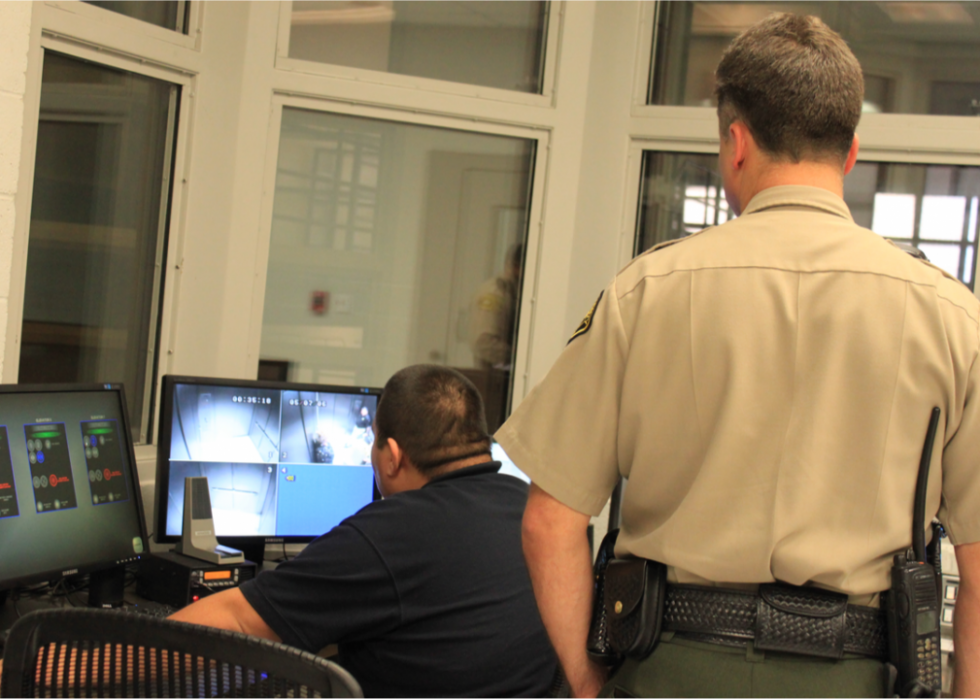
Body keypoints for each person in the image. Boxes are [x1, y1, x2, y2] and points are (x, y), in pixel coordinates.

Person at [496, 13, 980, 698]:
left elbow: (550, 520)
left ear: (736, 142)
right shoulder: (952, 316)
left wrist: (588, 683)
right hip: (858, 676)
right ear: (850, 153)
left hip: (672, 670)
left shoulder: (648, 291)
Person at [170, 365, 557, 697]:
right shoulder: (529, 508)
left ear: (392, 457)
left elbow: (238, 620)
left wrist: (129, 644)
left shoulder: (391, 533)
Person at [469, 243, 523, 369]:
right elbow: (484, 343)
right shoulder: (496, 293)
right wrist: (519, 357)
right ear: (516, 267)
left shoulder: (513, 292)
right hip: (493, 376)